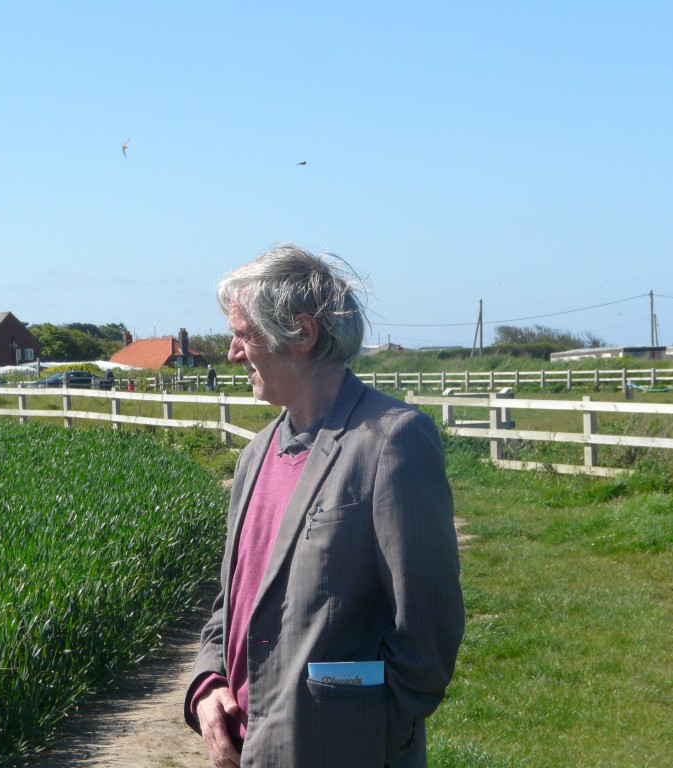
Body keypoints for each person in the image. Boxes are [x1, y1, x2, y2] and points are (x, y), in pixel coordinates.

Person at [184, 244, 464, 767]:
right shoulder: (254, 454)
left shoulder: (392, 442)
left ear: (303, 334)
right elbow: (233, 603)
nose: (232, 352)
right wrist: (208, 684)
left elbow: (427, 637)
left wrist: (355, 723)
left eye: (243, 334)